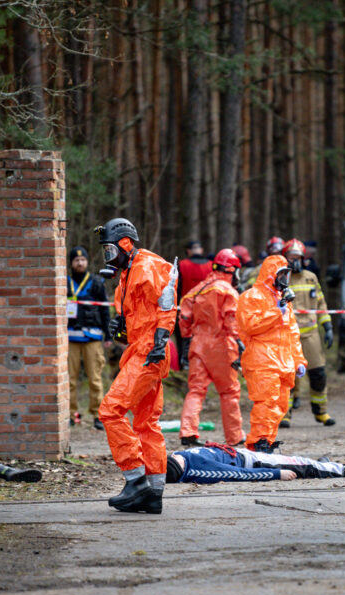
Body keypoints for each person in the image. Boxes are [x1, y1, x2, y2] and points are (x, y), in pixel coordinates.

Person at [96, 217, 178, 514]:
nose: (108, 257)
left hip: (148, 352)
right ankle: (153, 493)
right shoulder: (127, 274)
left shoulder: (145, 267)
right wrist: (121, 327)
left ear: (125, 244)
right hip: (140, 349)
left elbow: (166, 305)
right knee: (146, 423)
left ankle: (135, 479)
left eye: (109, 251)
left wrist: (159, 339)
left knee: (110, 410)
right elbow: (139, 317)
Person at [236, 254, 307, 453]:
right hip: (262, 360)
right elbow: (250, 326)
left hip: (284, 361)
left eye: (286, 273)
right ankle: (258, 442)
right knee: (265, 404)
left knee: (280, 406)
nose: (285, 278)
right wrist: (277, 312)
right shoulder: (251, 297)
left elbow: (292, 332)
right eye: (281, 273)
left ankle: (267, 441)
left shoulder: (283, 301)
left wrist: (299, 359)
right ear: (270, 274)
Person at [177, 248, 246, 448]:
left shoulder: (199, 289)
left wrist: (187, 338)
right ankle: (234, 436)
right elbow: (232, 320)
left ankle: (188, 431)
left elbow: (184, 315)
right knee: (229, 392)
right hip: (222, 345)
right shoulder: (228, 291)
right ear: (232, 270)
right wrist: (239, 344)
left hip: (198, 344)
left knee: (196, 390)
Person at [281, 238, 335, 427]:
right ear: (284, 258)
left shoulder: (311, 277)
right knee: (287, 375)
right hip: (287, 335)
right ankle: (284, 414)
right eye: (291, 257)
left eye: (298, 257)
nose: (295, 261)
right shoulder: (280, 279)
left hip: (311, 333)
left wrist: (327, 327)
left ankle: (321, 412)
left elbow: (320, 303)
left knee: (318, 373)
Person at [165, 443, 345, 484]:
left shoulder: (181, 456)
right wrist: (276, 475)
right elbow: (236, 474)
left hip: (244, 455)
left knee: (305, 464)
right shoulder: (197, 469)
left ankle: (321, 467)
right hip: (253, 464)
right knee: (305, 467)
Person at [66, 246, 112, 430]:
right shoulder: (64, 282)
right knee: (69, 379)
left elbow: (104, 309)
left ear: (87, 261)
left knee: (95, 378)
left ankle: (97, 415)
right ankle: (70, 414)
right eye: (76, 260)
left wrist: (108, 334)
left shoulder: (96, 282)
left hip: (93, 337)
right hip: (70, 338)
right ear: (71, 263)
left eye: (83, 259)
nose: (80, 262)